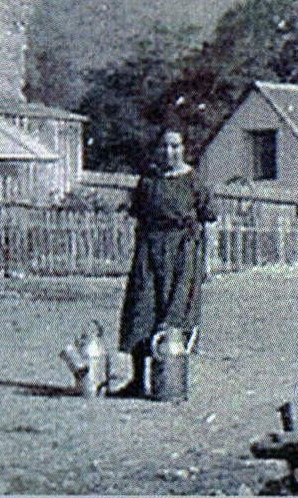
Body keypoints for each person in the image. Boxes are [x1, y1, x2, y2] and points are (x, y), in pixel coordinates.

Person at [114, 130, 215, 398]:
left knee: (175, 312)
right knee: (141, 310)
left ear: (183, 148)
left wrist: (207, 261)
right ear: (157, 149)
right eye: (164, 146)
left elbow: (208, 220)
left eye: (175, 146)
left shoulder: (194, 182)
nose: (169, 152)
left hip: (183, 252)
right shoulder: (148, 182)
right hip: (149, 251)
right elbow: (135, 215)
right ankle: (138, 381)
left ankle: (170, 380)